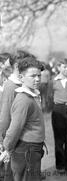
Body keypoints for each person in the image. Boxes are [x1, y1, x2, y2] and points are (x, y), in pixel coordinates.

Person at [2, 57, 45, 181]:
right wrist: (7, 148)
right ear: (21, 78)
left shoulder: (33, 94)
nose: (37, 79)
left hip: (33, 148)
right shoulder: (23, 99)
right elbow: (15, 128)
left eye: (39, 75)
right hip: (26, 149)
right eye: (32, 76)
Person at [0, 50, 35, 181]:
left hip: (28, 139)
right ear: (16, 66)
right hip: (15, 140)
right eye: (26, 64)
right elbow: (5, 118)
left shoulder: (24, 83)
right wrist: (4, 142)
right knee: (13, 175)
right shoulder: (11, 86)